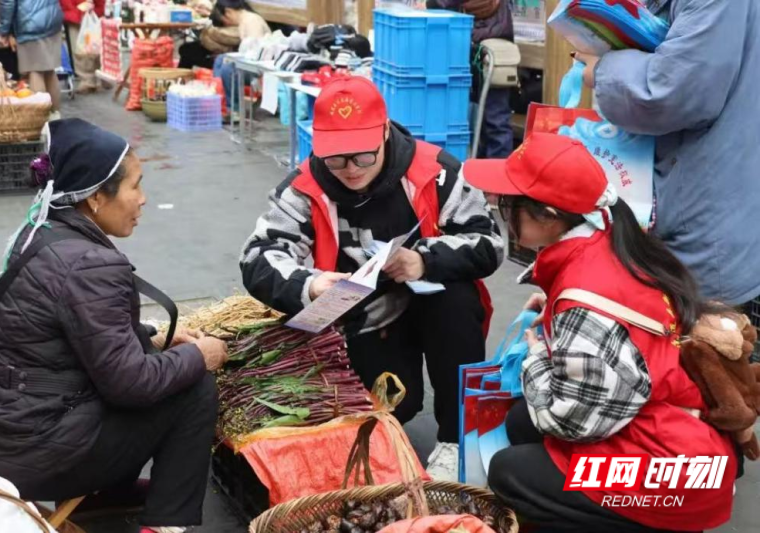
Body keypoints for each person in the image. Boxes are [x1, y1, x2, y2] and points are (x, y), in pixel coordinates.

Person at [0, 119, 229, 533]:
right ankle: (165, 524)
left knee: (156, 361)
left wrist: (155, 336)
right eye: (135, 186)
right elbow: (131, 384)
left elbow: (74, 335)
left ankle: (108, 496)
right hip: (33, 455)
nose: (143, 199)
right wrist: (199, 355)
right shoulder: (90, 263)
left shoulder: (39, 228)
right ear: (97, 197)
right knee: (194, 389)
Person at [462, 132, 737, 532]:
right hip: (681, 439)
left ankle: (646, 523)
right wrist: (556, 313)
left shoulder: (585, 301)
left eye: (507, 204)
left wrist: (536, 356)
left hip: (681, 473)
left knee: (509, 472)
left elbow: (569, 421)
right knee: (522, 421)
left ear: (548, 216)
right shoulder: (606, 235)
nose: (501, 212)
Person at [241, 76, 503, 480]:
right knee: (396, 405)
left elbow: (489, 243)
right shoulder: (303, 187)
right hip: (364, 316)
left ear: (383, 133)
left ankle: (456, 440)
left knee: (456, 300)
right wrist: (310, 285)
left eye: (363, 157)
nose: (350, 170)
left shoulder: (436, 171)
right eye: (336, 159)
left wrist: (424, 260)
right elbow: (258, 257)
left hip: (434, 304)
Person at [573, 0, 760, 315]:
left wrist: (604, 70)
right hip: (703, 199)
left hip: (703, 214)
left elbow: (672, 92)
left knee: (699, 334)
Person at [427, 0, 514, 158]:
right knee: (489, 120)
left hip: (484, 40)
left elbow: (438, 3)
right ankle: (490, 167)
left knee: (492, 120)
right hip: (486, 38)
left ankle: (495, 169)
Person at [0, 0, 64, 117]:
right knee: (49, 71)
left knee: (35, 71)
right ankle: (55, 114)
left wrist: (4, 31)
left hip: (30, 23)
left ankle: (40, 118)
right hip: (52, 17)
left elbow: (8, 2)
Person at [212, 0, 270, 114]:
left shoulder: (252, 21)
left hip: (261, 67)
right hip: (251, 61)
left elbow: (256, 53)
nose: (227, 24)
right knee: (220, 60)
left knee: (228, 69)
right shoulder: (244, 21)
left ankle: (233, 109)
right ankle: (221, 102)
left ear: (228, 12)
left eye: (224, 21)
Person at [60, 0, 104, 93]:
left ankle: (91, 79)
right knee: (81, 50)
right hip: (75, 15)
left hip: (86, 14)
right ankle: (88, 79)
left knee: (90, 49)